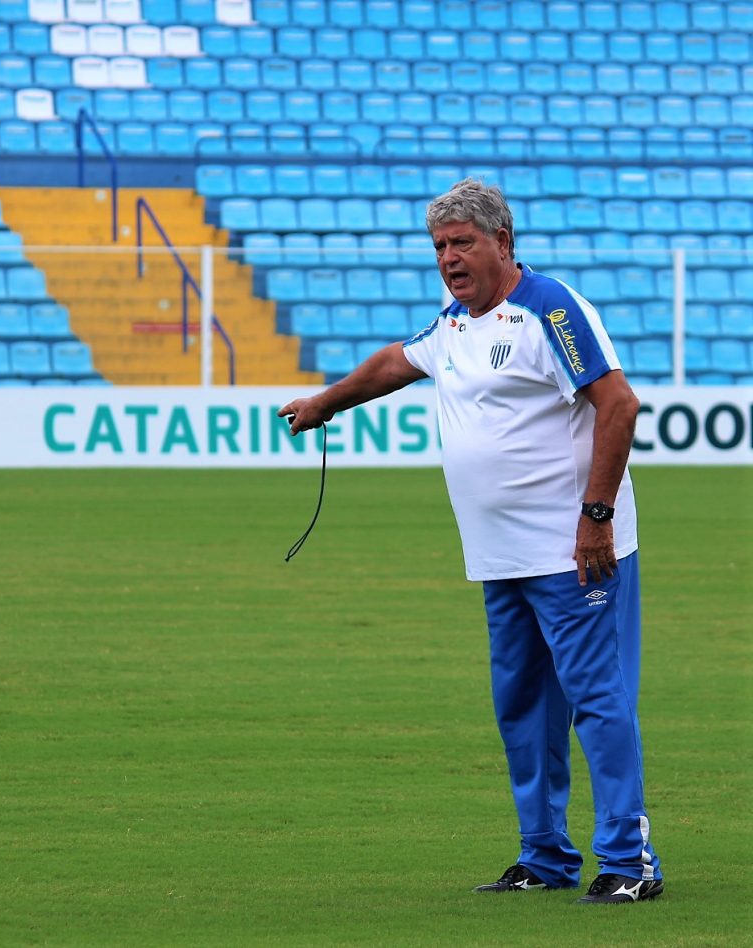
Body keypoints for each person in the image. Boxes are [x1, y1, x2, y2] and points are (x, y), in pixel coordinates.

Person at [278, 178, 664, 905]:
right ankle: (545, 855)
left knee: (597, 700)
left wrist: (596, 519)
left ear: (502, 244)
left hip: (571, 552)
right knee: (522, 706)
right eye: (439, 247)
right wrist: (325, 402)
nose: (449, 258)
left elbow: (617, 404)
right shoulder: (455, 322)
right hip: (499, 557)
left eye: (462, 243)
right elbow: (399, 360)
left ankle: (629, 861)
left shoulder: (549, 309)